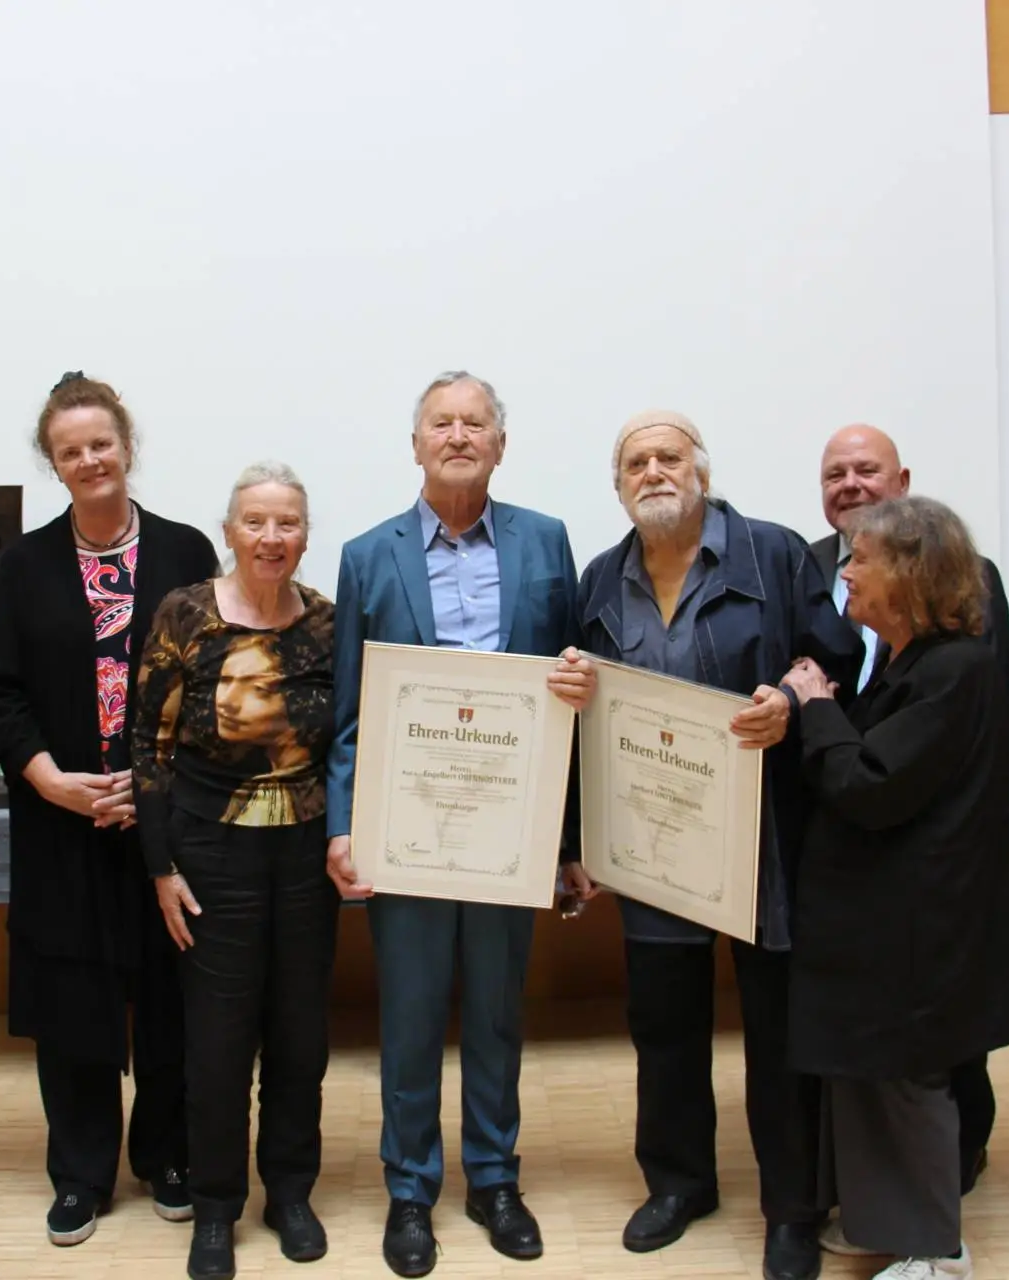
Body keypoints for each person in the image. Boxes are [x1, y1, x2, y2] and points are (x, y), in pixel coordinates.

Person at [575, 410, 861, 1280]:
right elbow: (583, 702)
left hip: (762, 835)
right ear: (618, 484)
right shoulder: (600, 579)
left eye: (669, 458)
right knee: (662, 1021)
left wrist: (787, 696)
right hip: (652, 838)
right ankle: (679, 1182)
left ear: (702, 471)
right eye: (636, 462)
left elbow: (837, 656)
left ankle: (793, 1208)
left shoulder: (774, 554)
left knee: (777, 1027)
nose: (653, 471)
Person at [324, 371, 597, 1278]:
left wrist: (566, 841)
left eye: (474, 422)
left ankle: (493, 1179)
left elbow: (571, 691)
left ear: (500, 443)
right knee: (406, 1020)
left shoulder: (548, 543)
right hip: (406, 827)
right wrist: (341, 828)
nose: (457, 435)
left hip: (509, 831)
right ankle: (410, 1192)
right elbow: (352, 712)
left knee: (494, 1012)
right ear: (415, 445)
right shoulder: (368, 555)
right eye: (440, 423)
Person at [0, 372, 219, 1246]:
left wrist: (156, 782)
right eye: (70, 449)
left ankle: (170, 1155)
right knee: (74, 1001)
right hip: (61, 818)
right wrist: (48, 778)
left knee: (169, 996)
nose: (89, 460)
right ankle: (80, 1172)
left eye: (101, 444)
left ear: (127, 447)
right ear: (53, 461)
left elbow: (216, 681)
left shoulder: (189, 552)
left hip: (168, 820)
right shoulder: (23, 566)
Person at [780, 496, 1009, 1280]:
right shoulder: (907, 658)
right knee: (866, 1078)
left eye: (860, 561)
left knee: (908, 1088)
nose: (846, 574)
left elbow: (869, 784)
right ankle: (881, 1223)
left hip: (920, 925)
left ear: (910, 575)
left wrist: (817, 708)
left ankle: (936, 1251)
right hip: (884, 922)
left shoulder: (954, 668)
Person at [132, 462, 338, 1280]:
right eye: (255, 521)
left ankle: (289, 1193)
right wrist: (159, 867)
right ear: (229, 530)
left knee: (300, 1037)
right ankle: (215, 1206)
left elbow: (350, 732)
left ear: (304, 535)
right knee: (216, 1043)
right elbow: (147, 750)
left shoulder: (325, 620)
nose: (271, 537)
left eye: (287, 522)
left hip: (305, 856)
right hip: (209, 852)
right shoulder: (185, 614)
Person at [812, 423, 1009, 1196]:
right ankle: (890, 1200)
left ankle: (940, 1198)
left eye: (866, 469)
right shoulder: (809, 568)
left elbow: (972, 744)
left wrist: (817, 713)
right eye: (835, 472)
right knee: (884, 1057)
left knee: (931, 1055)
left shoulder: (966, 612)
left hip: (931, 866)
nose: (850, 484)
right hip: (858, 866)